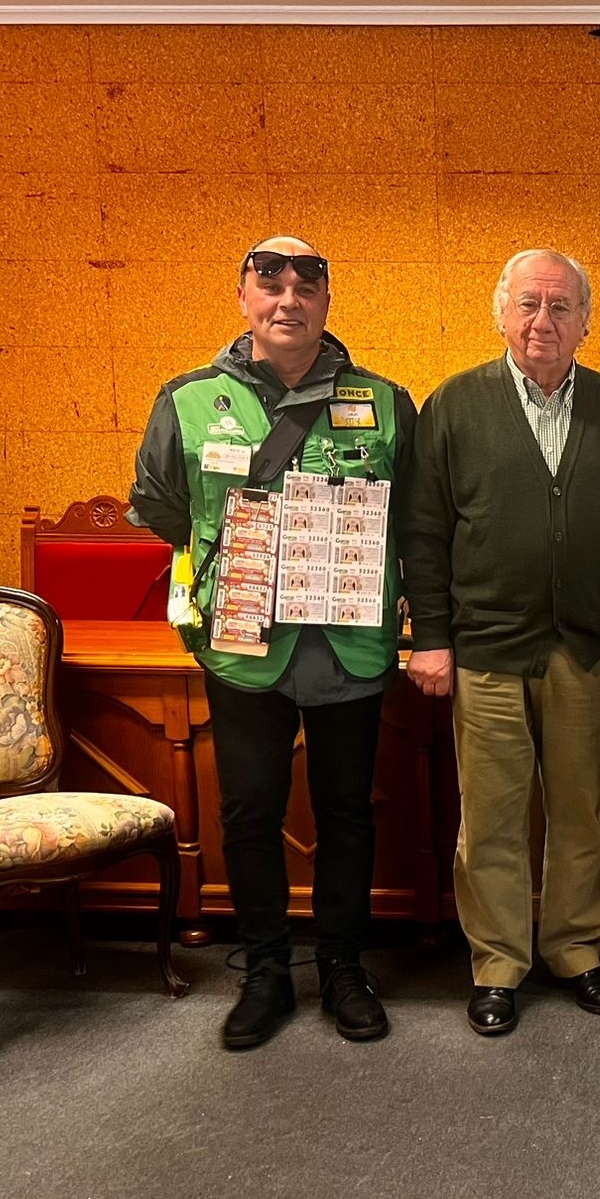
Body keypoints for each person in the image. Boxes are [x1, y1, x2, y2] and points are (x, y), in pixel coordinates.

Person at [128, 235, 415, 1049]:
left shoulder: (384, 400)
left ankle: (344, 968)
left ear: (326, 301)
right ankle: (265, 972)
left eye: (305, 286)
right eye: (271, 283)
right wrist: (230, 551)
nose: (288, 299)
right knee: (249, 812)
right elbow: (159, 501)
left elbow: (415, 515)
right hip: (244, 642)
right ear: (244, 297)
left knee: (347, 813)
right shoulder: (188, 399)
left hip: (348, 641)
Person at [399, 249, 600, 1037]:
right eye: (528, 304)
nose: (542, 321)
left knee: (581, 813)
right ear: (501, 314)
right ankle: (497, 964)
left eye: (560, 306)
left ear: (585, 322)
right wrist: (431, 638)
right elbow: (423, 532)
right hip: (484, 649)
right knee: (490, 819)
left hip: (587, 646)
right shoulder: (454, 405)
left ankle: (576, 952)